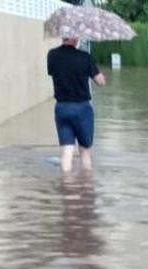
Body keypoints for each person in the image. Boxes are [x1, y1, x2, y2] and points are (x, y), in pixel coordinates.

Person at [47, 38, 106, 173]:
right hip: (82, 110)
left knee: (66, 152)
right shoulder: (85, 57)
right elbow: (101, 82)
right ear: (76, 38)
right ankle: (86, 188)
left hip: (62, 108)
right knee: (85, 152)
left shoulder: (52, 55)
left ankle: (67, 189)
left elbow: (52, 72)